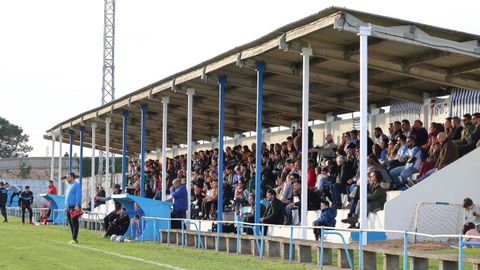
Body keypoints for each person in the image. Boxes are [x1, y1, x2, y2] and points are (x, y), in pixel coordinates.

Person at [64, 173, 82, 244]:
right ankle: (73, 237)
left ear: (72, 177)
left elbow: (78, 195)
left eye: (68, 177)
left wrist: (77, 205)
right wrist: (65, 206)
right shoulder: (69, 186)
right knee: (70, 223)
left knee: (74, 222)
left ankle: (75, 238)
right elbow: (67, 197)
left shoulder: (76, 185)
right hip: (68, 206)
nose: (67, 178)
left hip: (74, 206)